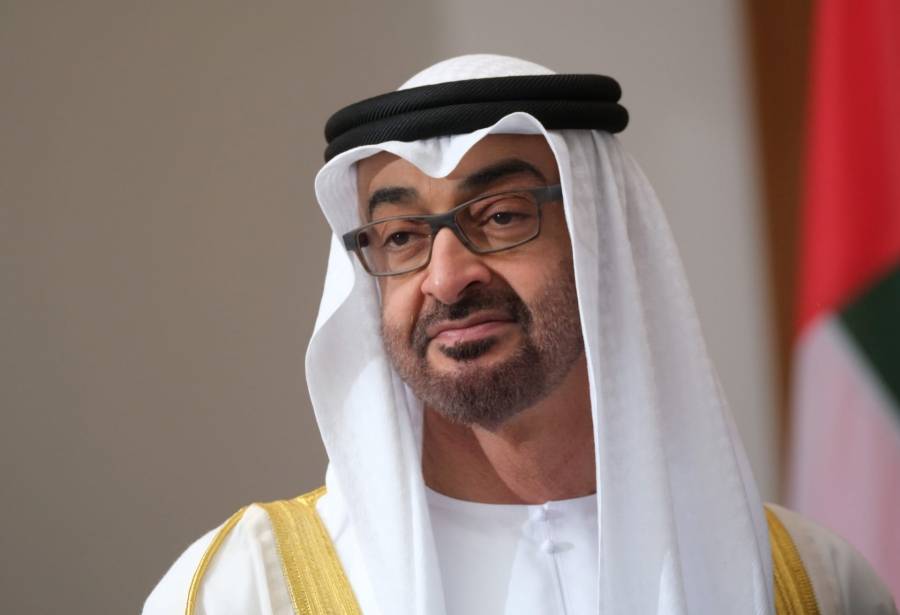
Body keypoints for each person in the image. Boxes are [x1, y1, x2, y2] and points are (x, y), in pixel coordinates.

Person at [143, 55, 897, 615]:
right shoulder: (250, 589)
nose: (445, 278)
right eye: (401, 236)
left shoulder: (810, 583)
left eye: (502, 217)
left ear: (602, 242)